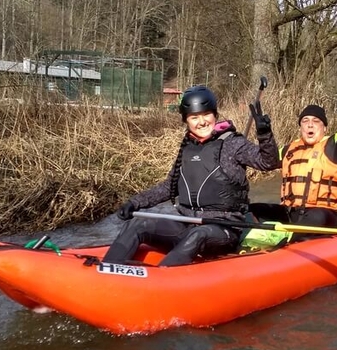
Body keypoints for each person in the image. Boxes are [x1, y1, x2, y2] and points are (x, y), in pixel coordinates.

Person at [102, 85, 281, 266]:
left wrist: (265, 135)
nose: (201, 122)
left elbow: (268, 162)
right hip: (187, 223)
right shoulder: (187, 148)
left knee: (199, 234)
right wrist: (135, 203)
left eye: (206, 115)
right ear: (186, 120)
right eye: (194, 117)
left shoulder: (234, 144)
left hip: (223, 228)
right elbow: (168, 187)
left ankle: (163, 280)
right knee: (138, 224)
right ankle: (108, 269)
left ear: (215, 115)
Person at [248, 68, 337, 242]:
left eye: (316, 122)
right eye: (305, 121)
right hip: (291, 214)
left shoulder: (335, 146)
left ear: (324, 128)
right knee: (251, 209)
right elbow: (264, 158)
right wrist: (261, 134)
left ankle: (284, 245)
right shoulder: (289, 150)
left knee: (316, 218)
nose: (310, 125)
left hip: (325, 215)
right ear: (300, 127)